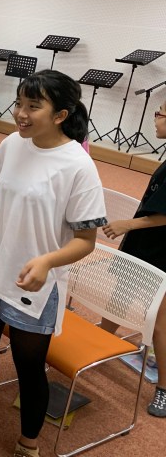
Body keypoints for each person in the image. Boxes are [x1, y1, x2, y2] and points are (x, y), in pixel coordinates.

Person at [0, 70, 106, 457]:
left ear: (61, 115)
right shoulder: (14, 143)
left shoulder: (77, 166)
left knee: (28, 364)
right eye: (19, 103)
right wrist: (0, 209)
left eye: (33, 106)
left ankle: (29, 443)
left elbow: (86, 240)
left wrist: (47, 261)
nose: (20, 113)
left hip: (36, 281)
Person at [102, 99, 166, 417]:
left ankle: (164, 389)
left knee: (160, 326)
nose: (155, 118)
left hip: (161, 252)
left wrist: (126, 224)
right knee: (118, 299)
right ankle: (98, 345)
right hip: (143, 246)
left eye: (160, 113)